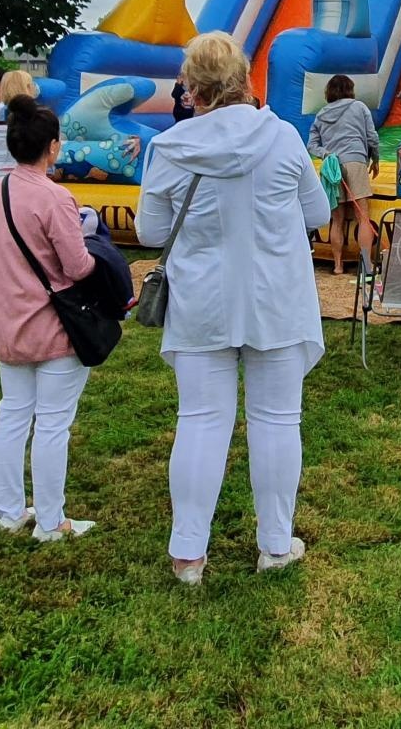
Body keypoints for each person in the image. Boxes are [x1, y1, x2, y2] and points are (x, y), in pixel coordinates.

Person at [136, 31, 329, 585]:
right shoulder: (283, 138)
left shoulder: (170, 147)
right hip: (276, 299)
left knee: (199, 422)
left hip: (202, 302)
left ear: (190, 88)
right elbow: (315, 213)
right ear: (244, 79)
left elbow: (151, 232)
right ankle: (274, 542)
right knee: (276, 422)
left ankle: (188, 554)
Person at [0, 96, 100, 542]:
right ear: (53, 147)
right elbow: (77, 266)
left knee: (13, 416)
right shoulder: (55, 198)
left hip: (7, 327)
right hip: (54, 329)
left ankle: (9, 511)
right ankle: (51, 521)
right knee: (52, 424)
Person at [307, 74, 381, 276]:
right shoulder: (359, 107)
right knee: (362, 217)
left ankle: (338, 265)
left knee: (336, 219)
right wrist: (376, 158)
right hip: (356, 160)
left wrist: (326, 154)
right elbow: (372, 136)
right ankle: (366, 264)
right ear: (350, 89)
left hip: (332, 167)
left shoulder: (321, 114)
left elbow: (311, 145)